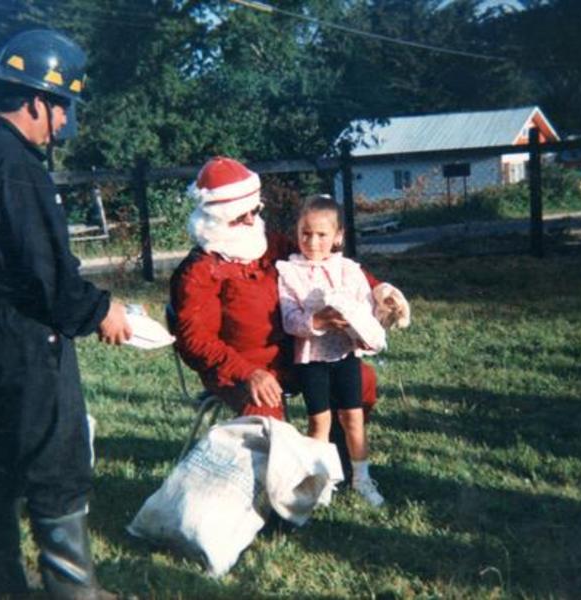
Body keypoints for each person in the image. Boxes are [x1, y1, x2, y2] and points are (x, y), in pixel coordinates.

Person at [0, 29, 132, 599]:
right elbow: (44, 269)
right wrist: (101, 309)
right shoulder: (18, 166)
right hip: (25, 339)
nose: (62, 123)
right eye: (62, 107)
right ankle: (73, 592)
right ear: (36, 101)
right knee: (55, 459)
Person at [170, 156, 409, 427]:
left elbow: (325, 263)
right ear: (213, 220)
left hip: (298, 353)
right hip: (240, 369)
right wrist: (247, 373)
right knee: (266, 417)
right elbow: (195, 340)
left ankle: (336, 458)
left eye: (255, 210)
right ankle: (283, 466)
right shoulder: (199, 272)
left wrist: (378, 289)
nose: (251, 220)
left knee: (362, 382)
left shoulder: (270, 244)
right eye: (240, 216)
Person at [276, 195, 407, 506]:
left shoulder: (348, 269)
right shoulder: (288, 272)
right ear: (296, 231)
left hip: (346, 356)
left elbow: (367, 309)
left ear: (338, 237)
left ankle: (361, 479)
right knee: (319, 422)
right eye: (305, 233)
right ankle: (319, 482)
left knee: (353, 418)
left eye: (322, 235)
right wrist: (318, 320)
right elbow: (289, 319)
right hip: (311, 359)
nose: (313, 241)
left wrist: (372, 315)